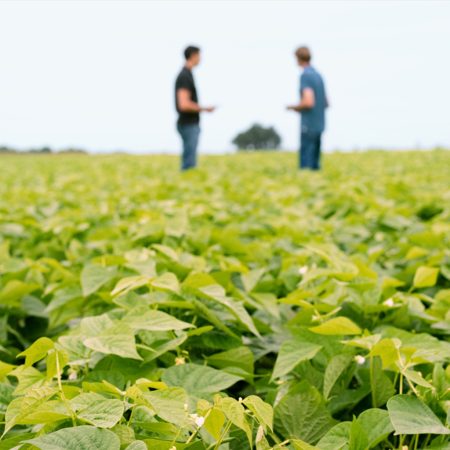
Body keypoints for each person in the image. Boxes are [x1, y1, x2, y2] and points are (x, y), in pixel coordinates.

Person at [287, 46, 328, 170]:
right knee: (315, 164)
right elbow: (326, 102)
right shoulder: (318, 75)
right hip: (320, 123)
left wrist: (294, 107)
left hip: (308, 124)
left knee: (306, 165)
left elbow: (309, 101)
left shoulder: (305, 76)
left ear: (298, 58)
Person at [175, 45, 215, 170]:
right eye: (199, 56)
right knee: (189, 162)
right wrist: (204, 109)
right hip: (188, 124)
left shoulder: (187, 74)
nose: (200, 59)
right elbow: (184, 104)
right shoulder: (184, 75)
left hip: (189, 123)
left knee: (189, 159)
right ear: (193, 56)